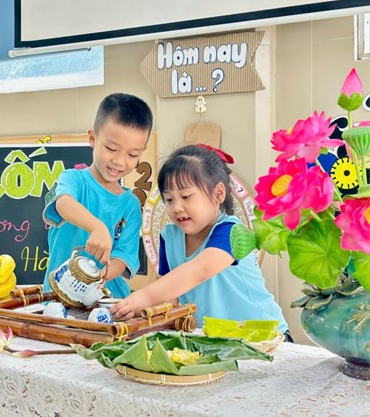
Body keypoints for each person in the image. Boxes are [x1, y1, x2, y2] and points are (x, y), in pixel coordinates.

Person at [110, 144, 290, 338]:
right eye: (169, 199)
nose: (177, 207)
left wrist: (144, 296)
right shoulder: (168, 237)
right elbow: (172, 298)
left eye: (186, 196)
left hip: (266, 338)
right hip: (216, 343)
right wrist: (140, 313)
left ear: (218, 194)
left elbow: (199, 271)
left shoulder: (231, 231)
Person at [42, 93, 154, 298]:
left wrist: (99, 277)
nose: (120, 161)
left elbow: (124, 257)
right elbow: (63, 204)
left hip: (108, 299)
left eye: (132, 155)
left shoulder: (130, 205)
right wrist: (98, 227)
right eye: (111, 148)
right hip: (57, 297)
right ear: (92, 138)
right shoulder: (73, 179)